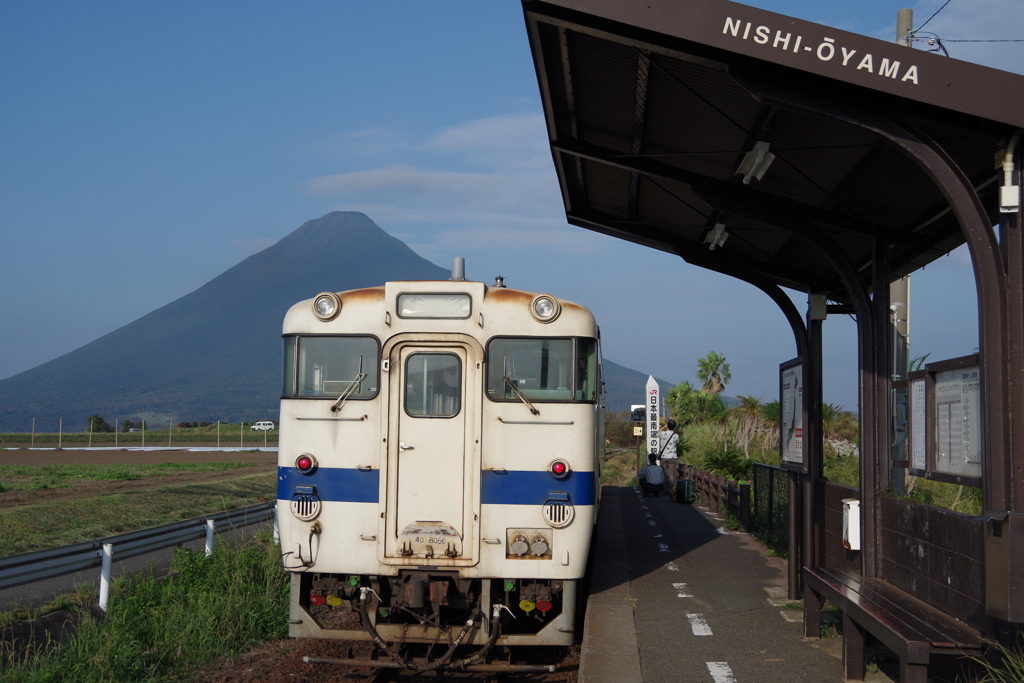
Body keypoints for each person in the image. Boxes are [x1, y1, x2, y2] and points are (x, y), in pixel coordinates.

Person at [657, 419, 680, 500]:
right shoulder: (676, 435)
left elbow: (655, 433)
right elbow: (677, 442)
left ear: (667, 425)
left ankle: (664, 489)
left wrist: (663, 427)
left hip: (663, 456)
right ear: (674, 427)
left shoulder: (662, 434)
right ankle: (670, 489)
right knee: (671, 473)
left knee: (663, 472)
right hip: (672, 456)